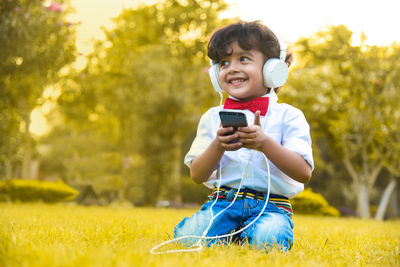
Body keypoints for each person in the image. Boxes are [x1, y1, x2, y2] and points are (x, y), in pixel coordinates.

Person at [174, 20, 314, 251]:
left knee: (269, 240)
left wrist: (265, 143)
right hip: (223, 203)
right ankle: (234, 233)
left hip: (271, 207)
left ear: (272, 69)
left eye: (244, 59)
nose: (232, 68)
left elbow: (303, 173)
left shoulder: (290, 116)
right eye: (224, 62)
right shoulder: (212, 117)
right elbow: (197, 175)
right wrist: (218, 146)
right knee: (188, 239)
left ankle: (249, 233)